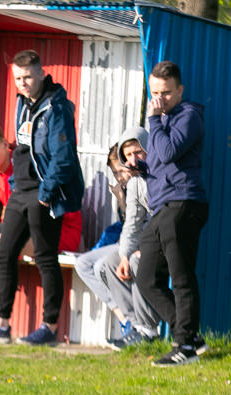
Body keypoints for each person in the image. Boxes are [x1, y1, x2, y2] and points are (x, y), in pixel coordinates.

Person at [0, 49, 84, 346]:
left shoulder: (57, 108)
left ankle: (48, 326)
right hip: (20, 190)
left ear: (41, 74)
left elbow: (63, 157)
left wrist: (47, 194)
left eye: (28, 77)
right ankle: (1, 323)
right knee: (5, 251)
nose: (23, 83)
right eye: (18, 78)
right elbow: (23, 147)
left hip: (43, 192)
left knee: (46, 257)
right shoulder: (22, 102)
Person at [136, 61, 209, 366]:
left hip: (184, 204)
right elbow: (160, 163)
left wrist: (153, 121)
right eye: (154, 92)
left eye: (165, 93)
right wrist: (139, 168)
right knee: (147, 279)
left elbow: (167, 153)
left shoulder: (189, 116)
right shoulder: (162, 120)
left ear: (179, 90)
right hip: (164, 207)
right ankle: (190, 336)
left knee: (181, 278)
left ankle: (186, 347)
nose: (159, 99)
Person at [103, 127, 162, 349]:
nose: (133, 159)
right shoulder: (136, 182)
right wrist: (124, 255)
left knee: (139, 261)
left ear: (149, 148)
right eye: (128, 155)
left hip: (168, 240)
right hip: (150, 241)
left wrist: (143, 250)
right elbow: (133, 223)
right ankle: (135, 325)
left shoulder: (160, 175)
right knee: (111, 263)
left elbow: (165, 219)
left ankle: (148, 330)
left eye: (138, 152)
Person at [72, 143, 133, 336]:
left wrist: (123, 201)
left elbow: (136, 225)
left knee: (100, 266)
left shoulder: (142, 185)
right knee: (83, 264)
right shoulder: (125, 188)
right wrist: (122, 200)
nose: (118, 177)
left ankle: (134, 320)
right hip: (124, 241)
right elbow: (125, 223)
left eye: (120, 171)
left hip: (138, 243)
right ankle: (125, 320)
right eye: (114, 173)